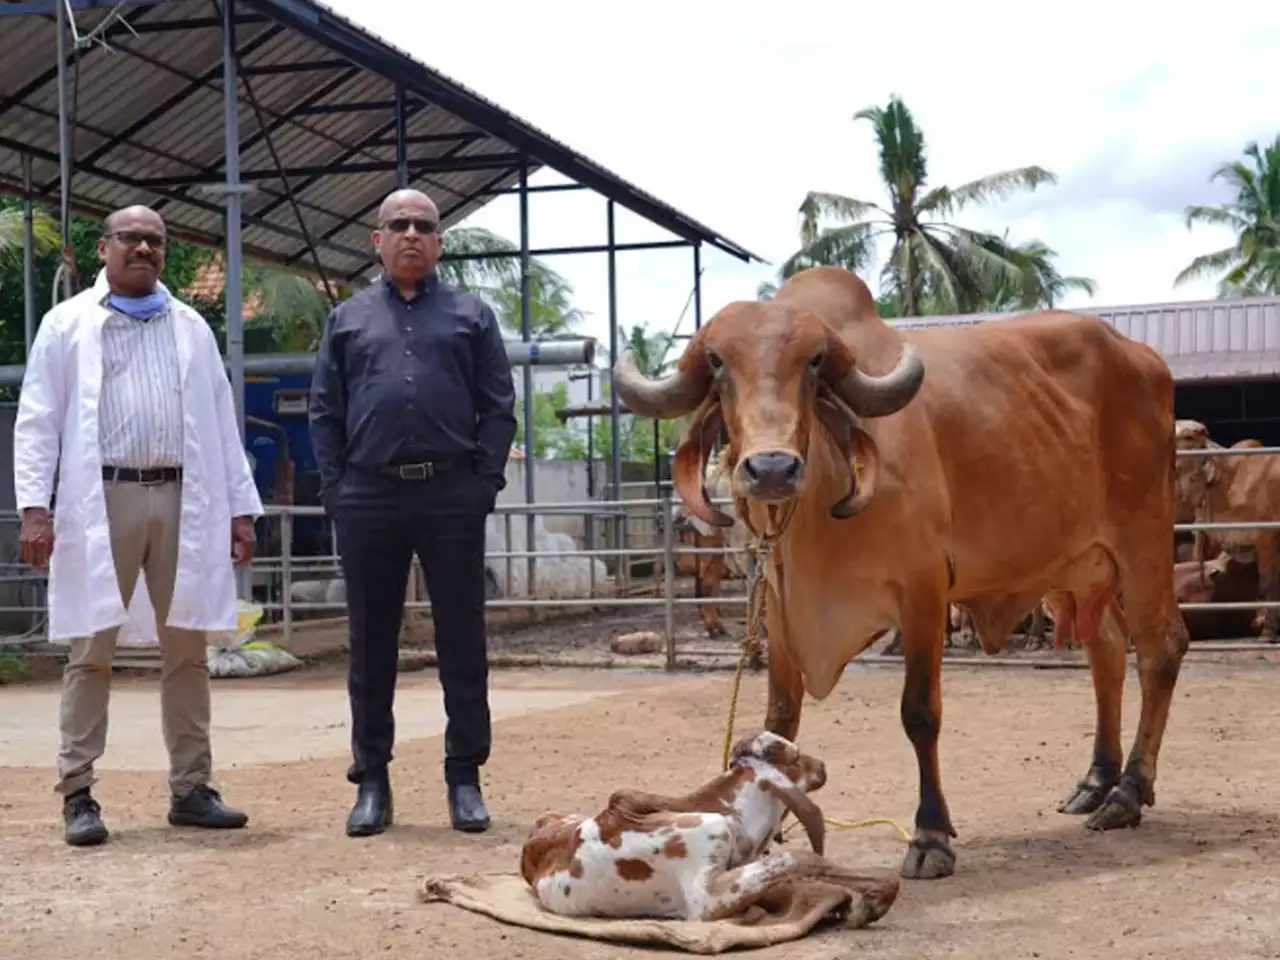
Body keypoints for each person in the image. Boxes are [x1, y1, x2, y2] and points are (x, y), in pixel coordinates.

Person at [13, 205, 264, 847]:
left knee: (188, 652)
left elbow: (220, 418)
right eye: (132, 238)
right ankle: (78, 793)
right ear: (105, 248)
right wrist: (35, 509)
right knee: (91, 652)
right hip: (102, 500)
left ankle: (191, 789)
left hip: (184, 497)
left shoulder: (189, 327)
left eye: (155, 240)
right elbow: (38, 419)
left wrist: (240, 508)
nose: (145, 249)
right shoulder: (67, 325)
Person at [309, 188, 517, 837]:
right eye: (397, 224)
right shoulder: (347, 321)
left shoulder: (470, 316)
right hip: (369, 494)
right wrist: (339, 489)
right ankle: (371, 780)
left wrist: (483, 482)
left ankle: (465, 778)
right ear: (376, 239)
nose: (410, 233)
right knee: (370, 644)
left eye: (423, 226)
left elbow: (498, 405)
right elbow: (325, 412)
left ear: (439, 242)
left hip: (451, 492)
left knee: (463, 639)